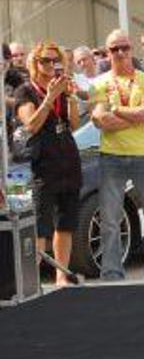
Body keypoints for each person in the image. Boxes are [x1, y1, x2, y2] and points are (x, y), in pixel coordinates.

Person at [89, 29, 144, 283]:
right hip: (111, 156)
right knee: (110, 219)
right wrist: (134, 115)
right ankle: (112, 273)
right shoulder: (99, 83)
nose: (120, 52)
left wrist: (116, 110)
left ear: (131, 48)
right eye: (114, 49)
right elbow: (100, 120)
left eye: (124, 47)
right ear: (107, 52)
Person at [14, 41, 82, 286]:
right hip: (36, 168)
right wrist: (50, 97)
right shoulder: (25, 91)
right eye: (46, 60)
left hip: (66, 162)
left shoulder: (61, 88)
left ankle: (61, 276)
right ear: (35, 63)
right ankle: (28, 283)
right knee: (37, 226)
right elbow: (31, 125)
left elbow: (74, 125)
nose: (52, 64)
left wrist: (70, 98)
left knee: (65, 223)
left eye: (56, 60)